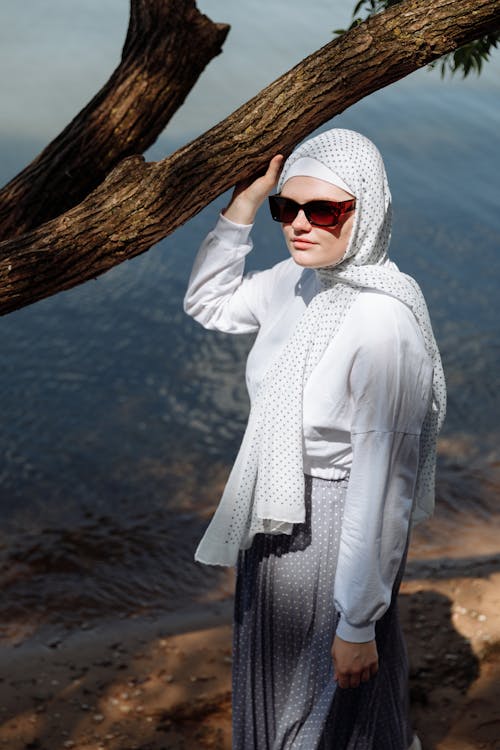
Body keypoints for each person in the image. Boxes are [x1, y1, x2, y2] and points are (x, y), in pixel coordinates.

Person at [183, 128, 446, 750]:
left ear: (367, 210)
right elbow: (208, 303)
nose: (300, 224)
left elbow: (384, 489)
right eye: (288, 208)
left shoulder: (384, 326)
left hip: (335, 529)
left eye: (324, 210)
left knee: (326, 699)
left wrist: (358, 620)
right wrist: (244, 205)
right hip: (275, 513)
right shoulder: (296, 281)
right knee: (280, 680)